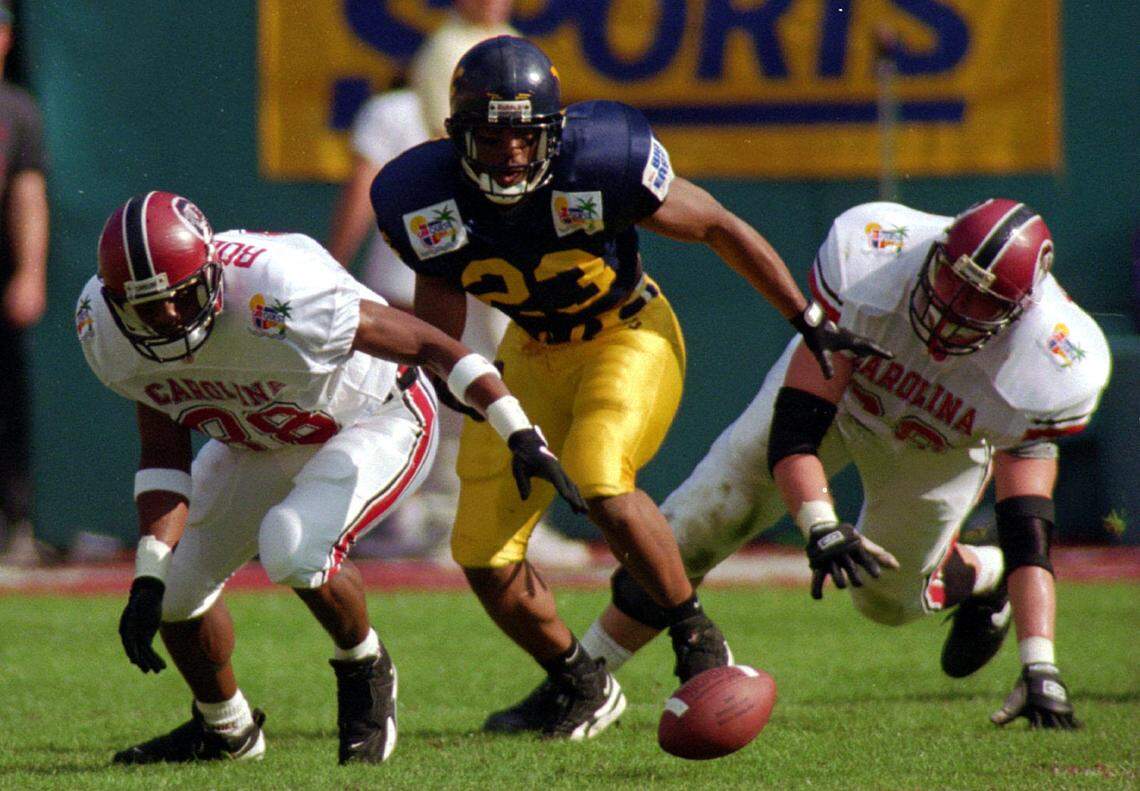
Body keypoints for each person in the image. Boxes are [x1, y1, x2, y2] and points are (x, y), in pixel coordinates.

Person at [370, 36, 889, 739]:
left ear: (552, 133)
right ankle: (581, 682)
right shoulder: (421, 196)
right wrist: (466, 393)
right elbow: (440, 316)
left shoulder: (603, 160)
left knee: (600, 478)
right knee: (482, 554)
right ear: (458, 135)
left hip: (627, 333)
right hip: (528, 354)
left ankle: (696, 636)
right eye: (491, 136)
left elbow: (717, 226)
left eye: (525, 136)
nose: (512, 154)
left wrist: (806, 317)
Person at [77, 191, 585, 765]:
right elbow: (163, 450)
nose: (167, 319)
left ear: (211, 274)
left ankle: (363, 665)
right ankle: (226, 730)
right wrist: (147, 574)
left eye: (178, 298)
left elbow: (431, 344)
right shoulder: (107, 332)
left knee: (291, 546)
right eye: (146, 309)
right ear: (116, 303)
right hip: (260, 437)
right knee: (172, 591)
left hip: (376, 414)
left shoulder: (279, 291)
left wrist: (518, 430)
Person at [577, 199, 1111, 730]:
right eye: (951, 279)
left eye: (980, 300)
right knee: (702, 517)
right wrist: (821, 526)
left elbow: (1027, 525)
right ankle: (580, 683)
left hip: (938, 447)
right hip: (844, 397)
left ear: (1020, 313)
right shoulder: (874, 258)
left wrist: (1039, 665)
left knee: (886, 603)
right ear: (936, 253)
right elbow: (795, 433)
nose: (953, 304)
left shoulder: (1054, 366)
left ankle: (981, 574)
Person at [0, 1, 49, 564]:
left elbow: (26, 192)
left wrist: (29, 272)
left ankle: (14, 525)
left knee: (8, 405)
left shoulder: (16, 110)